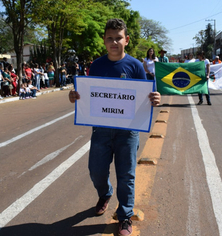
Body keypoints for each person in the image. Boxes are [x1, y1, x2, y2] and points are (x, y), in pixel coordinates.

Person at [68, 18, 161, 236]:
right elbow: (90, 94)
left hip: (128, 131)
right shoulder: (97, 65)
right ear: (104, 40)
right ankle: (105, 193)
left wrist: (155, 98)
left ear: (126, 40)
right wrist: (75, 96)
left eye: (118, 38)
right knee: (96, 170)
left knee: (126, 174)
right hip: (101, 129)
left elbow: (149, 94)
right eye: (110, 38)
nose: (114, 42)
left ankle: (125, 216)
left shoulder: (135, 66)